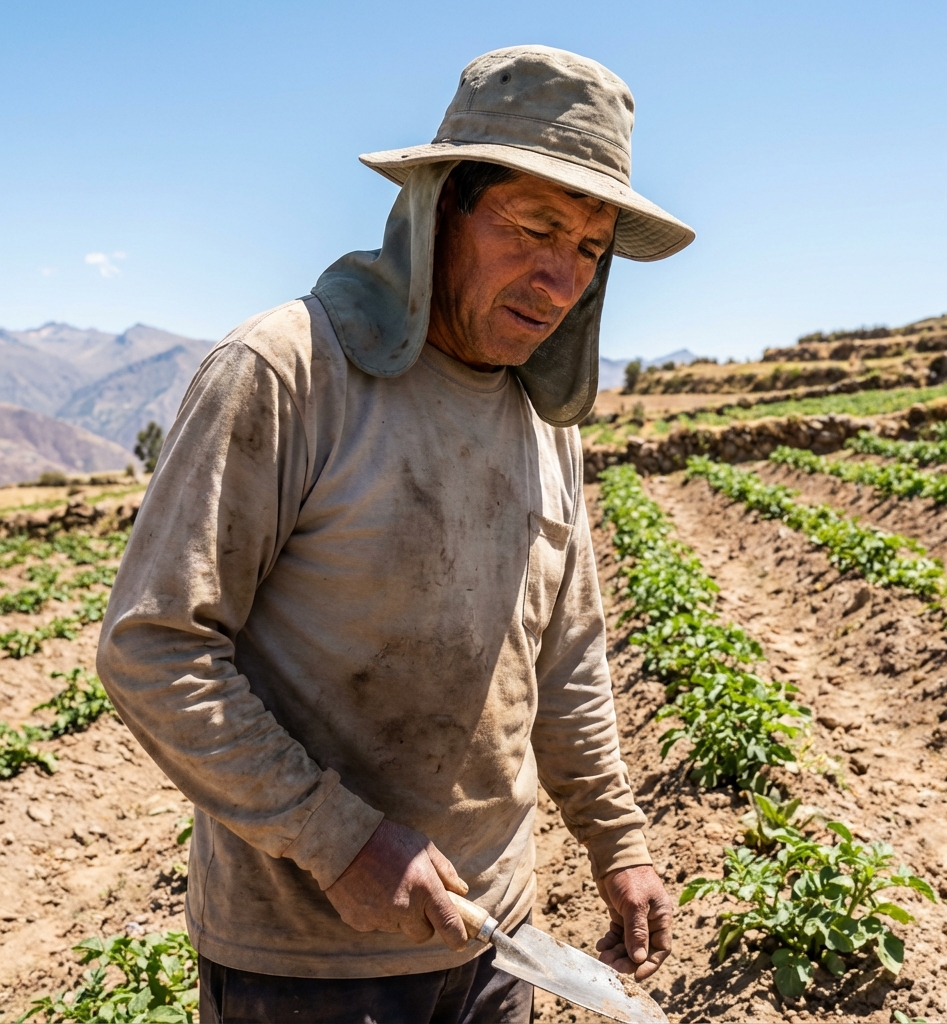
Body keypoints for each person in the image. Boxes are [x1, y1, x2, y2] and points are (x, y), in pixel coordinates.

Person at [97, 44, 694, 1024]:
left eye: (588, 251)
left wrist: (617, 841)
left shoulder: (544, 418)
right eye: (533, 227)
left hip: (499, 942)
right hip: (304, 965)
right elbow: (153, 646)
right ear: (438, 210)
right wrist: (338, 838)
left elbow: (567, 657)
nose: (558, 280)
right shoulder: (289, 372)